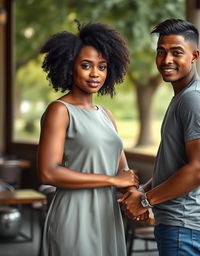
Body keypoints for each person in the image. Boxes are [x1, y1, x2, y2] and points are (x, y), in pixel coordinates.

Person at [118, 18, 200, 256]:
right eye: (161, 52)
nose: (166, 60)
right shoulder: (183, 96)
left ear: (194, 56)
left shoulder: (193, 99)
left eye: (176, 53)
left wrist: (145, 201)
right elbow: (176, 166)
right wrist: (142, 191)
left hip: (184, 226)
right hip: (179, 225)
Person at [38, 21, 139, 256]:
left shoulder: (107, 115)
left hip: (107, 216)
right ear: (70, 68)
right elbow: (48, 172)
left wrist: (132, 191)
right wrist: (112, 181)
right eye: (86, 65)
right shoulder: (59, 111)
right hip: (74, 215)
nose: (95, 73)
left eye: (102, 67)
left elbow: (123, 169)